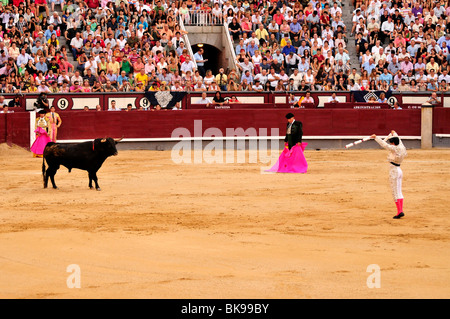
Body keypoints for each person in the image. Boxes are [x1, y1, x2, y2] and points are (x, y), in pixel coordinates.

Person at [371, 131, 407, 219]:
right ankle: (400, 210)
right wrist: (395, 133)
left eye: (391, 143)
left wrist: (376, 137)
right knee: (399, 191)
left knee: (395, 192)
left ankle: (399, 211)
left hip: (394, 171)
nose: (390, 144)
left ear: (393, 143)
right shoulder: (402, 146)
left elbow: (384, 145)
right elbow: (399, 139)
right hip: (399, 170)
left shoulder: (394, 148)